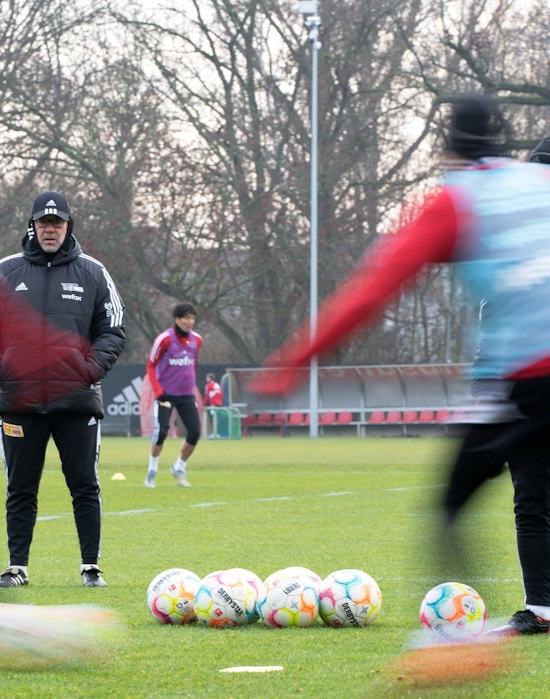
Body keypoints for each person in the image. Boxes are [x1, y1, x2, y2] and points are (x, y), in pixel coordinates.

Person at [249, 95, 550, 637]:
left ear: (449, 145)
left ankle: (461, 646)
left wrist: (291, 363)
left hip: (529, 380)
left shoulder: (457, 200)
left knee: (453, 502)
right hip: (526, 379)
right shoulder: (539, 183)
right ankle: (537, 611)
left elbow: (371, 292)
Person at [0, 190, 126, 588]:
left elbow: (112, 328)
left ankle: (90, 567)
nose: (50, 230)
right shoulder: (5, 271)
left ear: (68, 226)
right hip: (20, 401)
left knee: (84, 485)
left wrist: (90, 369)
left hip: (75, 400)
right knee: (20, 487)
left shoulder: (93, 272)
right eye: (44, 223)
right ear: (33, 226)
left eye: (57, 224)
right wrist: (0, 368)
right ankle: (17, 567)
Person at [144, 303, 203, 488]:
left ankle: (179, 467)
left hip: (186, 395)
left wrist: (191, 384)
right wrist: (158, 391)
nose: (189, 321)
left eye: (192, 318)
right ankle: (152, 469)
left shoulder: (197, 340)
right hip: (166, 395)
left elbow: (194, 364)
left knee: (195, 432)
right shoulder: (165, 339)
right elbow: (151, 365)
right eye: (186, 318)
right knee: (161, 433)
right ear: (177, 319)